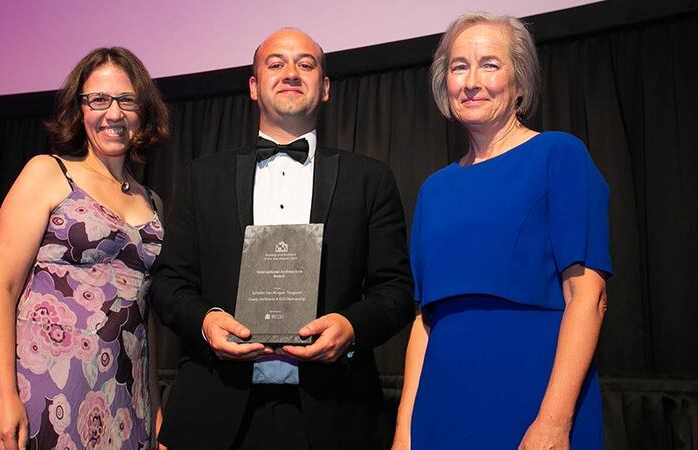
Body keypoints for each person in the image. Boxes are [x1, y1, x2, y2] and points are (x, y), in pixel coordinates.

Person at [151, 28, 414, 450]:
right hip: (214, 413)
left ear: (325, 87)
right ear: (254, 86)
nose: (291, 73)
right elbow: (168, 284)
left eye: (305, 64)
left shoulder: (370, 179)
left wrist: (350, 327)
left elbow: (396, 290)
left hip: (334, 414)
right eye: (276, 64)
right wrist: (206, 322)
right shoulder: (203, 177)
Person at [392, 12, 612, 450]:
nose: (471, 81)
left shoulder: (559, 155)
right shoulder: (433, 190)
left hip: (534, 406)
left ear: (521, 83)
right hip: (441, 412)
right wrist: (404, 432)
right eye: (459, 67)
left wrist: (553, 421)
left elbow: (589, 296)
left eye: (490, 65)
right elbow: (424, 321)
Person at [0, 47, 170, 450]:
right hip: (50, 390)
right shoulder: (47, 173)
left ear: (144, 110)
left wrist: (153, 406)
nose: (113, 113)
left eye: (126, 100)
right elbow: (0, 288)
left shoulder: (153, 203)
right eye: (98, 100)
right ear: (80, 109)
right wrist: (1, 396)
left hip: (126, 399)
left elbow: (143, 313)